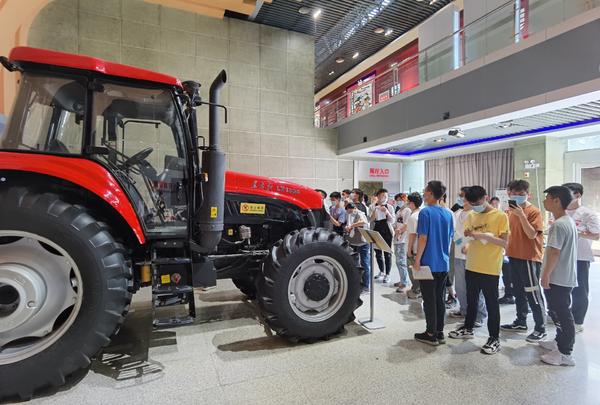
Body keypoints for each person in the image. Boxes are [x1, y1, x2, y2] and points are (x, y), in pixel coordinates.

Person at [449, 186, 509, 355]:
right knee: (471, 299)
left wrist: (486, 237)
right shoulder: (472, 215)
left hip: (490, 267)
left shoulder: (500, 216)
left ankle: (494, 338)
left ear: (486, 197)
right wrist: (467, 244)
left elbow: (505, 243)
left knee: (491, 303)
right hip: (471, 264)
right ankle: (468, 328)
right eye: (471, 203)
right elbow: (468, 237)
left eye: (477, 202)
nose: (475, 206)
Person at [501, 180, 547, 342]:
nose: (518, 197)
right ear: (509, 194)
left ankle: (540, 327)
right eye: (515, 194)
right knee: (518, 292)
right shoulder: (509, 211)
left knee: (533, 293)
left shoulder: (533, 211)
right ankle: (520, 321)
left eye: (522, 194)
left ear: (528, 194)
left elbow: (532, 234)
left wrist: (521, 215)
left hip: (529, 257)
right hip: (513, 256)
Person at [539, 186, 578, 366]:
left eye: (547, 197)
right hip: (563, 276)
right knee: (557, 311)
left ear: (556, 201)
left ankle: (565, 353)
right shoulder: (566, 221)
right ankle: (559, 342)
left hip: (559, 277)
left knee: (562, 313)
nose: (544, 200)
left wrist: (546, 275)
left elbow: (554, 252)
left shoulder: (559, 224)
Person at [413, 181, 454, 346]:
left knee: (429, 300)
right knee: (439, 299)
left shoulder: (425, 213)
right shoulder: (448, 214)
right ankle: (440, 332)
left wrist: (417, 259)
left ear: (430, 193)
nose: (423, 194)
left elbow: (423, 238)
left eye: (425, 191)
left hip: (428, 263)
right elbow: (450, 238)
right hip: (443, 263)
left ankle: (430, 333)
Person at [562, 182, 600, 333]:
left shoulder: (587, 213)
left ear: (578, 195)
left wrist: (576, 233)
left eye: (568, 194)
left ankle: (578, 321)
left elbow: (596, 235)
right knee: (562, 288)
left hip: (580, 257)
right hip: (562, 255)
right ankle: (564, 315)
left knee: (579, 290)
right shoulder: (561, 211)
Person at [449, 187, 487, 326]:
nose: (461, 198)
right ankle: (464, 310)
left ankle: (479, 315)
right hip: (459, 254)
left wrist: (463, 241)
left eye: (463, 196)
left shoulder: (476, 214)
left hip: (472, 255)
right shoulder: (458, 213)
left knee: (475, 289)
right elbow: (454, 232)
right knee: (460, 286)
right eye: (460, 196)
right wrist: (458, 240)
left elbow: (477, 236)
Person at [369, 188, 395, 283]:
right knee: (378, 253)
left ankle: (388, 274)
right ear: (378, 196)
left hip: (387, 231)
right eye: (383, 195)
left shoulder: (390, 207)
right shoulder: (372, 206)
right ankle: (381, 271)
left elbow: (393, 221)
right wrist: (375, 212)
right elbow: (370, 220)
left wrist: (387, 212)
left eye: (386, 196)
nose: (384, 198)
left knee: (387, 253)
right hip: (376, 230)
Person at [345, 202, 371, 294]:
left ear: (353, 208)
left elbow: (363, 222)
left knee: (364, 263)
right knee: (356, 263)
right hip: (354, 242)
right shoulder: (350, 215)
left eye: (350, 210)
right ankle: (359, 283)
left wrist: (351, 226)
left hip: (362, 242)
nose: (349, 212)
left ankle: (366, 286)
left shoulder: (360, 213)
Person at [406, 192, 423, 299]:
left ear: (412, 203)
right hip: (421, 247)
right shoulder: (421, 214)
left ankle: (416, 290)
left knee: (413, 271)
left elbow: (412, 234)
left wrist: (409, 249)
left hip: (415, 247)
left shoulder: (413, 217)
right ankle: (419, 290)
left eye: (408, 202)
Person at [393, 196, 412, 291]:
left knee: (401, 261)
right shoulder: (399, 210)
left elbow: (406, 224)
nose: (398, 201)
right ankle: (402, 280)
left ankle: (405, 283)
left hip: (403, 239)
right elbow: (396, 223)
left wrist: (399, 231)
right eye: (397, 200)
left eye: (400, 200)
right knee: (398, 261)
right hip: (397, 238)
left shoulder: (407, 210)